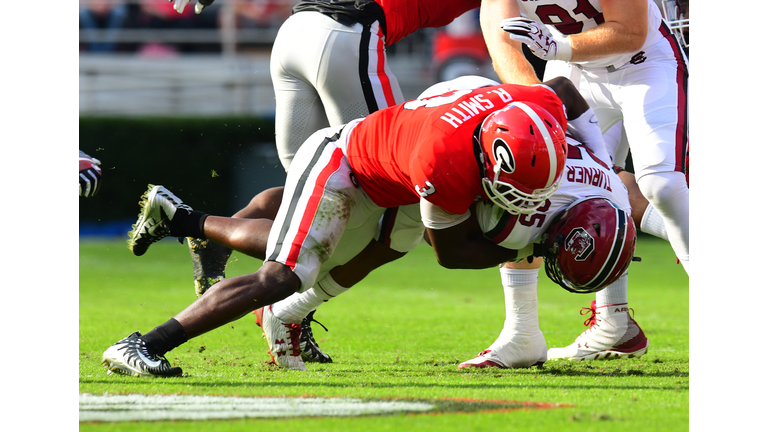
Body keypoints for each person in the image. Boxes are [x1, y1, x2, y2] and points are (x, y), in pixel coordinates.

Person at [100, 76, 590, 377]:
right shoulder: (443, 161)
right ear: (487, 154)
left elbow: (568, 93)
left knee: (390, 245)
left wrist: (602, 171)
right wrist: (541, 247)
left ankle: (280, 310)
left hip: (390, 175)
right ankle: (143, 342)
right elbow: (452, 252)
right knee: (286, 274)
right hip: (345, 163)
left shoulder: (536, 109)